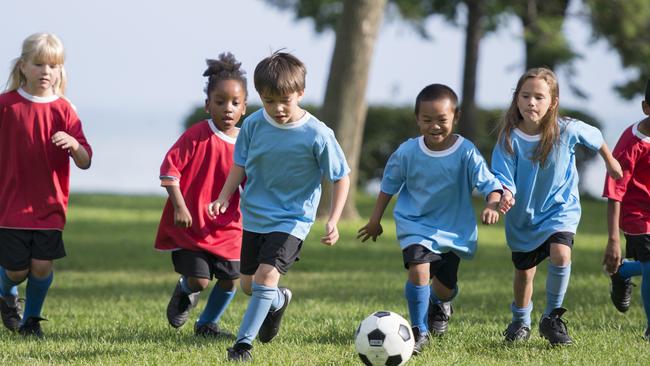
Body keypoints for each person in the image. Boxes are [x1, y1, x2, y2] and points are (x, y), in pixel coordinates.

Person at [208, 51, 350, 362]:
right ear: (260, 96)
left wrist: (333, 219)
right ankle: (277, 302)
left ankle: (242, 346)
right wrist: (223, 196)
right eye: (269, 101)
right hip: (255, 216)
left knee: (266, 277)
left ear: (301, 93)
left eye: (285, 100)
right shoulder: (255, 125)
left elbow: (341, 177)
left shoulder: (318, 134)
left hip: (292, 219)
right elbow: (239, 165)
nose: (278, 108)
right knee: (249, 285)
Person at [357, 84, 503, 355]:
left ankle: (440, 304)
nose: (434, 126)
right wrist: (375, 220)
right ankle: (418, 330)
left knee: (445, 288)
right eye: (427, 120)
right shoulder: (407, 152)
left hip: (453, 230)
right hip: (415, 224)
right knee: (418, 269)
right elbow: (388, 186)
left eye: (442, 120)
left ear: (455, 117)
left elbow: (490, 184)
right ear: (417, 119)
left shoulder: (466, 151)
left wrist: (493, 203)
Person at [492, 67, 623, 346]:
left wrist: (610, 161)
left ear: (553, 102)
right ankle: (520, 321)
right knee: (524, 275)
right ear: (517, 99)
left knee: (561, 255)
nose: (531, 102)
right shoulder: (508, 138)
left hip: (560, 209)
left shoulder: (567, 129)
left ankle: (552, 318)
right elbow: (503, 176)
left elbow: (596, 137)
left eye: (539, 97)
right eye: (525, 96)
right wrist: (506, 194)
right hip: (523, 216)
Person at [0, 33, 92, 337]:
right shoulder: (6, 105)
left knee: (41, 268)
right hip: (10, 205)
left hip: (50, 206)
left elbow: (85, 159)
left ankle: (31, 321)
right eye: (39, 64)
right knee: (16, 271)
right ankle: (6, 293)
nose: (46, 72)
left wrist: (73, 145)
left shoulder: (65, 110)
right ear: (23, 66)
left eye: (53, 66)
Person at [155, 53, 247, 337]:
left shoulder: (248, 142)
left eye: (235, 103)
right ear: (208, 105)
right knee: (199, 280)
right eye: (220, 102)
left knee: (231, 281)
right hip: (193, 226)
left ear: (244, 108)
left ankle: (207, 324)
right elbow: (170, 172)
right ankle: (185, 290)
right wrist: (180, 207)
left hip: (231, 227)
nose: (227, 109)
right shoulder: (196, 136)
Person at [602, 79, 650, 340]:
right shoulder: (632, 143)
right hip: (636, 214)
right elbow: (614, 192)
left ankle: (623, 271)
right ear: (646, 107)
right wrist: (613, 240)